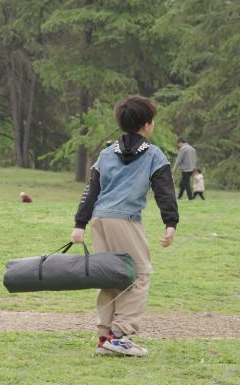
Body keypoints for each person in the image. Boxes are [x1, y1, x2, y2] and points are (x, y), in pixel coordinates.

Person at [70, 95, 178, 357]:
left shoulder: (106, 153)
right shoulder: (153, 154)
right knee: (139, 276)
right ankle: (119, 336)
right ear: (147, 124)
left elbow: (90, 190)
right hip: (125, 220)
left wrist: (80, 223)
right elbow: (164, 190)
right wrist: (170, 222)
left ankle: (104, 337)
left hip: (99, 220)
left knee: (110, 278)